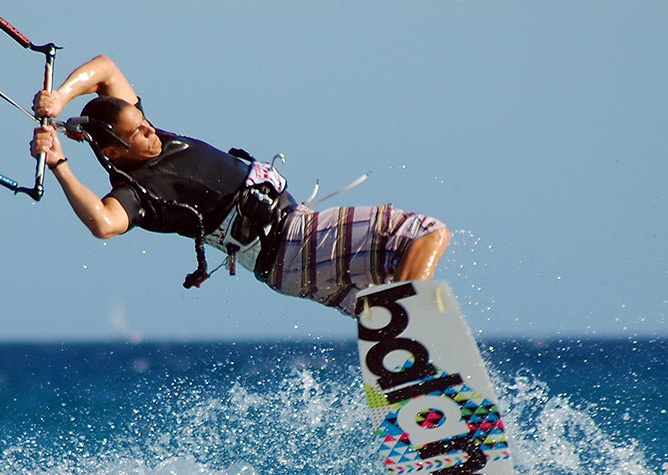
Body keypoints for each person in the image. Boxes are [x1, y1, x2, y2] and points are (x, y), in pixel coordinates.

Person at [30, 55, 451, 316]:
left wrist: (61, 98)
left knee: (386, 297)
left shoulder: (148, 135)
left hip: (289, 262)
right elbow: (103, 223)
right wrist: (61, 164)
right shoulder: (138, 191)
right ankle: (416, 348)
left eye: (145, 121)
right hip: (294, 243)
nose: (151, 130)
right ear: (116, 152)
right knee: (420, 235)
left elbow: (105, 67)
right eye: (138, 133)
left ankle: (423, 402)